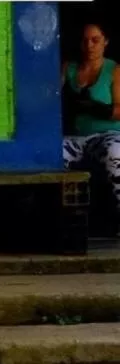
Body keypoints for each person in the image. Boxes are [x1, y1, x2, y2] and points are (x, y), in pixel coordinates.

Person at [62, 21, 120, 236]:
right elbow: (47, 98)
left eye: (95, 40)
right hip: (76, 138)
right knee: (48, 153)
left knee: (117, 154)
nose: (90, 45)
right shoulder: (69, 68)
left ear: (105, 42)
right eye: (85, 40)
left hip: (107, 135)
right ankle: (58, 224)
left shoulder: (114, 70)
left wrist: (97, 109)